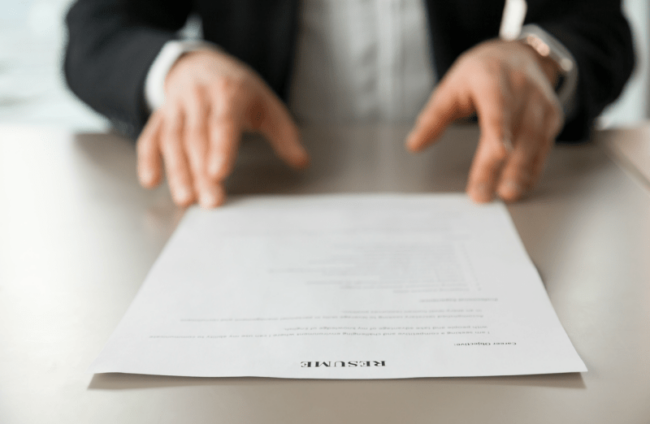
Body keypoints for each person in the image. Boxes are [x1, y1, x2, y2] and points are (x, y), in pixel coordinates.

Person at [64, 0, 634, 208]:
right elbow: (98, 28)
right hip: (254, 180)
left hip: (474, 180)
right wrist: (180, 67)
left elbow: (596, 23)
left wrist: (534, 57)